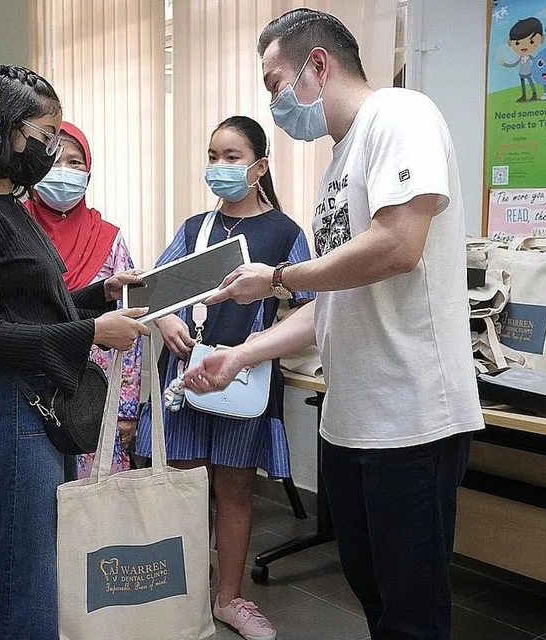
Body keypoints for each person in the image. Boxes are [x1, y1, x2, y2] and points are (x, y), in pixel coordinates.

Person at [184, 10, 484, 640]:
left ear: (317, 64)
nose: (275, 104)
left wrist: (279, 278)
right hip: (352, 419)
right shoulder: (337, 164)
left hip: (412, 415)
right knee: (371, 588)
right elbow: (332, 309)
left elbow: (399, 244)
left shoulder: (401, 115)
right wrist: (243, 354)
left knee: (411, 608)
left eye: (275, 84)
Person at [0, 64, 149, 639]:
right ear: (7, 130)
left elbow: (32, 305)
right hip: (9, 407)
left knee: (29, 570)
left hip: (34, 406)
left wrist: (93, 297)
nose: (53, 148)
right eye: (46, 133)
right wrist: (92, 333)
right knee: (19, 582)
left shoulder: (9, 206)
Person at [137, 115, 313, 640]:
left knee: (235, 491)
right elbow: (150, 292)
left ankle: (230, 598)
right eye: (212, 156)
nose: (219, 167)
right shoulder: (196, 230)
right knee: (187, 489)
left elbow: (309, 308)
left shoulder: (285, 234)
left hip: (247, 381)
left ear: (260, 166)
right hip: (187, 380)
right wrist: (166, 317)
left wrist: (259, 342)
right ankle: (186, 590)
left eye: (231, 157)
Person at [26, 120, 143, 475]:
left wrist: (125, 408)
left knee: (95, 512)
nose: (63, 172)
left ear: (88, 173)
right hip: (30, 392)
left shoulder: (109, 239)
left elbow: (132, 323)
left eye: (75, 163)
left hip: (95, 394)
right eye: (53, 160)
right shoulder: (16, 229)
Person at [500, 17, 544, 102]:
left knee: (531, 83)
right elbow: (515, 64)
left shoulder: (528, 57)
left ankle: (534, 94)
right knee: (523, 84)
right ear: (510, 42)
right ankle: (524, 95)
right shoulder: (521, 57)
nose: (523, 46)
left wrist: (542, 62)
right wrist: (504, 64)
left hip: (528, 72)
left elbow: (535, 60)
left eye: (531, 42)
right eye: (517, 43)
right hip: (521, 73)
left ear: (541, 39)